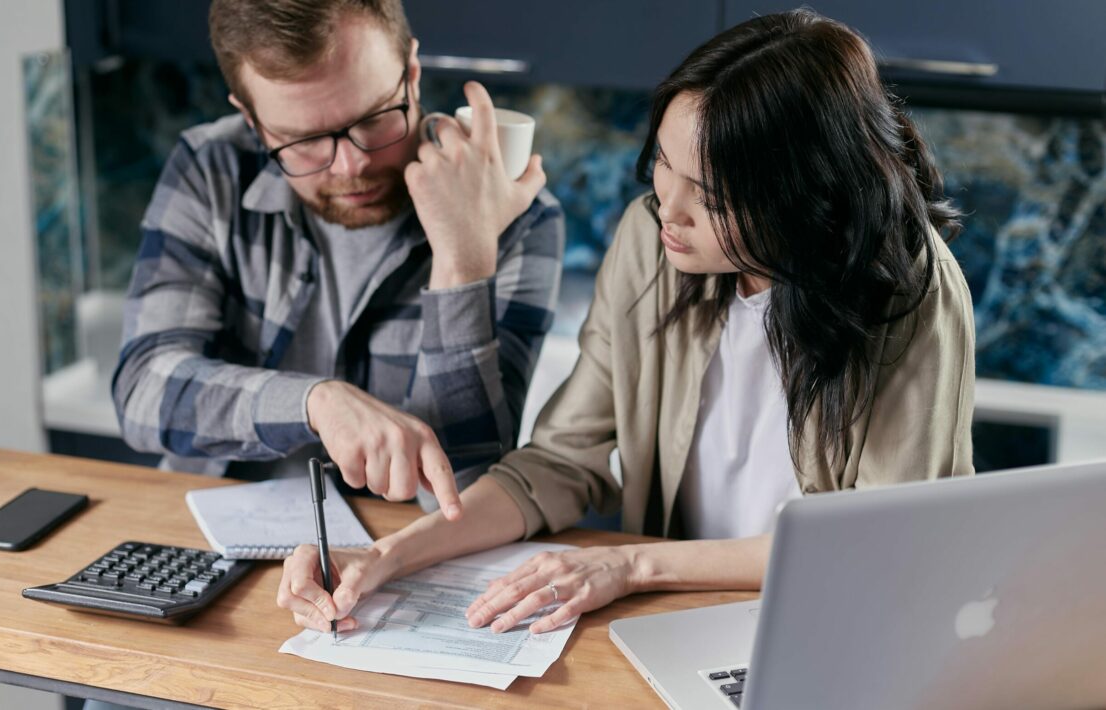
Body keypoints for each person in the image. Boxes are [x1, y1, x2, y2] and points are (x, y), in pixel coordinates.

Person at [276, 9, 975, 636]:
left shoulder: (911, 290)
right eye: (663, 167)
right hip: (674, 620)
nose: (666, 209)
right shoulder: (652, 241)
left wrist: (632, 566)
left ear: (803, 197)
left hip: (832, 627)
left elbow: (877, 543)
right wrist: (388, 555)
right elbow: (556, 463)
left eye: (709, 197)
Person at [112, 0, 565, 519]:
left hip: (402, 555)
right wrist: (316, 404)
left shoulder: (516, 214)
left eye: (374, 119)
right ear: (252, 120)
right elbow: (143, 391)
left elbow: (465, 492)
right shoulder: (211, 167)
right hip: (212, 533)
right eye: (302, 140)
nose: (353, 166)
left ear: (411, 75)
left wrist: (462, 261)